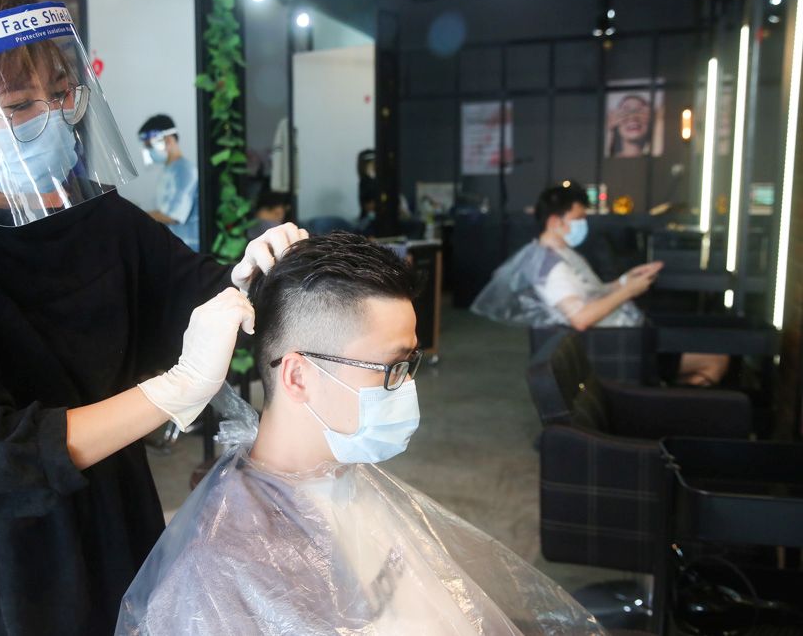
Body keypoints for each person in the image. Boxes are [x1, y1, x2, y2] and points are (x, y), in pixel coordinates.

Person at [0, 0, 306, 635]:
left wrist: (252, 275)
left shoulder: (100, 216)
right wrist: (175, 389)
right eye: (18, 105)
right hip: (19, 568)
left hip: (128, 524)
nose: (49, 119)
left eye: (59, 94)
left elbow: (199, 294)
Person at [116, 232, 605, 635]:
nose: (407, 387)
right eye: (392, 368)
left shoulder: (345, 484)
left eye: (410, 364)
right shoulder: (219, 569)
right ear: (298, 376)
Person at [472, 183, 728, 385]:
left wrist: (628, 279)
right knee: (716, 360)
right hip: (618, 346)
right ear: (555, 222)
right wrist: (628, 291)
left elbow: (592, 293)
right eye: (578, 218)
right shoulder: (550, 269)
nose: (583, 224)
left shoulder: (563, 254)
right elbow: (581, 318)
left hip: (628, 333)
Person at [138, 114, 199, 251]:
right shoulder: (169, 170)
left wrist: (134, 214)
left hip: (189, 249)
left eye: (150, 145)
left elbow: (172, 215)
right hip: (174, 247)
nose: (148, 150)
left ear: (169, 140)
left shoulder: (184, 170)